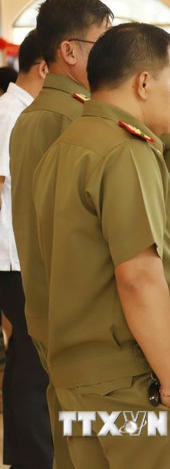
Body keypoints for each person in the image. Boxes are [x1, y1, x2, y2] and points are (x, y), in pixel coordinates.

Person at [32, 22, 170, 468]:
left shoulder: (65, 146)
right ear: (143, 83)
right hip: (132, 387)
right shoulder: (125, 151)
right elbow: (138, 277)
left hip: (77, 385)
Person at [9, 0, 113, 469]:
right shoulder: (62, 118)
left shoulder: (54, 114)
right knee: (98, 437)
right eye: (104, 41)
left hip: (67, 313)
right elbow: (65, 230)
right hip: (82, 317)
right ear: (70, 51)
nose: (115, 54)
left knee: (83, 435)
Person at [0, 29, 48, 468]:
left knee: (26, 359)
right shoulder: (8, 114)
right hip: (11, 257)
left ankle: (23, 451)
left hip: (24, 255)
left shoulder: (27, 112)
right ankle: (35, 455)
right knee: (34, 362)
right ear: (45, 66)